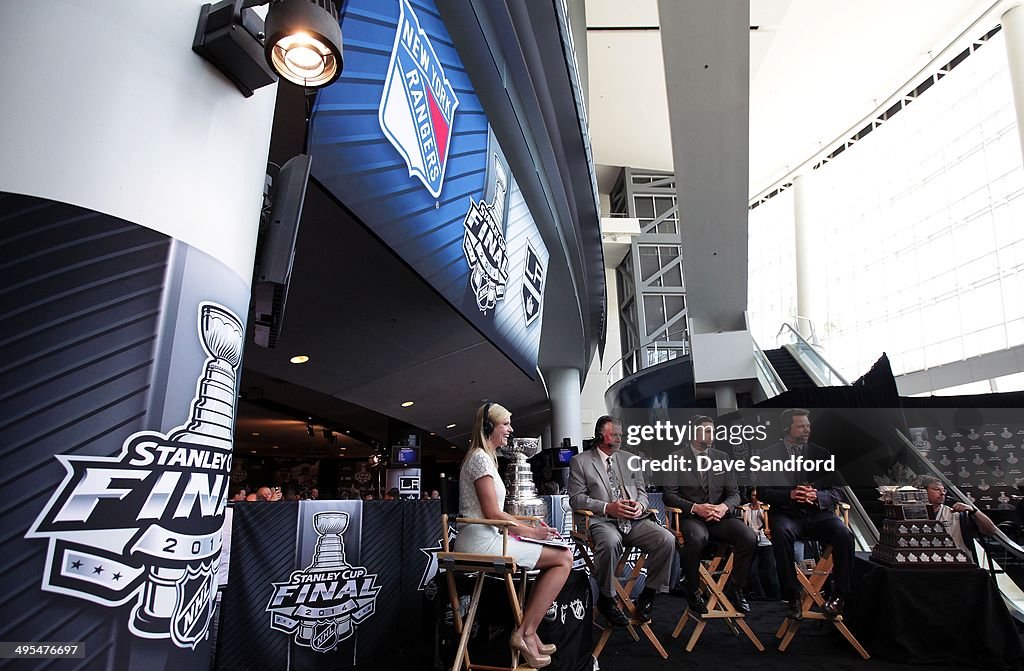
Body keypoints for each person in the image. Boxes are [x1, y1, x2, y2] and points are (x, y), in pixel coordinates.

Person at [457, 403, 571, 669]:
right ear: (488, 427)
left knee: (559, 553)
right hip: (480, 542)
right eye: (505, 424)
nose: (511, 429)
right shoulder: (479, 459)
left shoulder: (485, 457)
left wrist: (531, 526)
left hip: (488, 537)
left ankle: (529, 631)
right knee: (564, 558)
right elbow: (492, 513)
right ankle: (525, 633)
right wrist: (531, 531)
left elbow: (495, 513)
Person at [568, 415, 675, 626]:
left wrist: (640, 506)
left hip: (635, 521)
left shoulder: (628, 459)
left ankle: (649, 595)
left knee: (667, 540)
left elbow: (643, 493)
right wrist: (608, 507)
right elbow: (576, 499)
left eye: (621, 435)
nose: (620, 438)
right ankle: (607, 599)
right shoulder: (580, 461)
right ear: (600, 435)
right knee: (609, 542)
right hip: (602, 521)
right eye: (615, 434)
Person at [756, 408, 853, 620]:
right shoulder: (767, 455)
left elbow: (838, 490)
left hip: (818, 514)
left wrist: (817, 495)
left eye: (808, 425)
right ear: (786, 428)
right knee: (781, 534)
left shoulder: (822, 454)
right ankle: (792, 596)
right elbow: (761, 492)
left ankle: (839, 596)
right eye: (801, 426)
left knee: (844, 534)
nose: (806, 429)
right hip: (786, 515)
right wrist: (790, 495)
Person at [662, 415, 756, 615]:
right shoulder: (675, 457)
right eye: (706, 430)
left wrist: (723, 507)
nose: (711, 435)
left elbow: (735, 494)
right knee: (696, 538)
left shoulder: (722, 457)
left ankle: (736, 588)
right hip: (692, 518)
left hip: (719, 517)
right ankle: (692, 588)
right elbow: (669, 496)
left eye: (712, 431)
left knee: (749, 536)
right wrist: (696, 507)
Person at [918, 476, 998, 559]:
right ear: (922, 492)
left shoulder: (958, 514)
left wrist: (974, 511)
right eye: (936, 489)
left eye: (943, 490)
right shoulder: (911, 515)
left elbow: (991, 531)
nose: (942, 493)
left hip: (958, 566)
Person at [741, 488, 780, 601]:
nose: (756, 498)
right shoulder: (746, 507)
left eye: (757, 495)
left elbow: (768, 524)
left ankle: (776, 597)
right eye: (753, 495)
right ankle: (760, 595)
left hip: (766, 541)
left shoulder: (766, 507)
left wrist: (761, 513)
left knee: (771, 571)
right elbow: (745, 524)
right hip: (753, 541)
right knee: (752, 571)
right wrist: (747, 512)